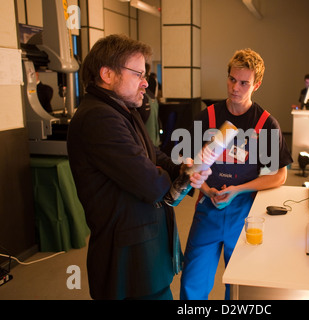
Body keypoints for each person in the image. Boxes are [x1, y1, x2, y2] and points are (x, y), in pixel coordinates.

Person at [67, 34, 211, 300]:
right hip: (129, 257)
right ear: (107, 74)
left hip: (144, 249)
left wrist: (181, 168)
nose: (146, 82)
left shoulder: (123, 110)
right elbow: (149, 182)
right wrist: (180, 178)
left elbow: (152, 154)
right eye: (138, 74)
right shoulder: (99, 118)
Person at [180, 48, 293, 300]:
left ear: (257, 85)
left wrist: (238, 190)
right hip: (208, 208)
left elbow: (279, 176)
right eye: (232, 79)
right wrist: (206, 189)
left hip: (245, 212)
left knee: (240, 288)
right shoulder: (207, 117)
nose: (235, 88)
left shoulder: (265, 124)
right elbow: (188, 165)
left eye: (244, 83)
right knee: (192, 284)